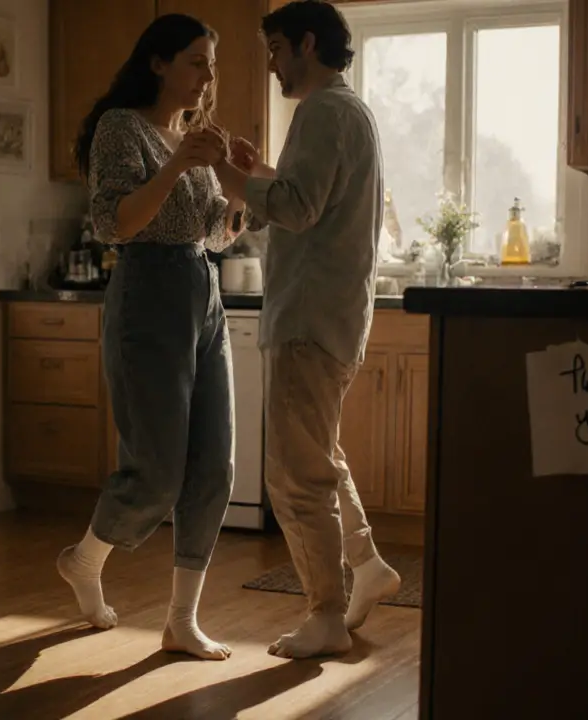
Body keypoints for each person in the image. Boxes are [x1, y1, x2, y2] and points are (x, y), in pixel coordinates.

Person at [213, 0, 401, 659]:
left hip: (308, 315)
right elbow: (303, 198)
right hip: (334, 315)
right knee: (319, 455)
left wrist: (230, 176)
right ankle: (367, 563)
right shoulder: (349, 111)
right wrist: (258, 173)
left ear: (308, 44)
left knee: (294, 476)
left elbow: (295, 208)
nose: (270, 64)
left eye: (276, 49)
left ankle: (324, 613)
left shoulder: (322, 111)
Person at [57, 13, 244, 661]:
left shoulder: (191, 137)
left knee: (215, 465)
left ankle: (181, 620)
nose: (207, 76)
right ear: (159, 63)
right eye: (196, 61)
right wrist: (178, 165)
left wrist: (239, 181)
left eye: (211, 64)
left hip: (203, 291)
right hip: (148, 297)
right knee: (157, 472)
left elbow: (218, 230)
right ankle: (86, 559)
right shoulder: (122, 129)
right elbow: (116, 224)